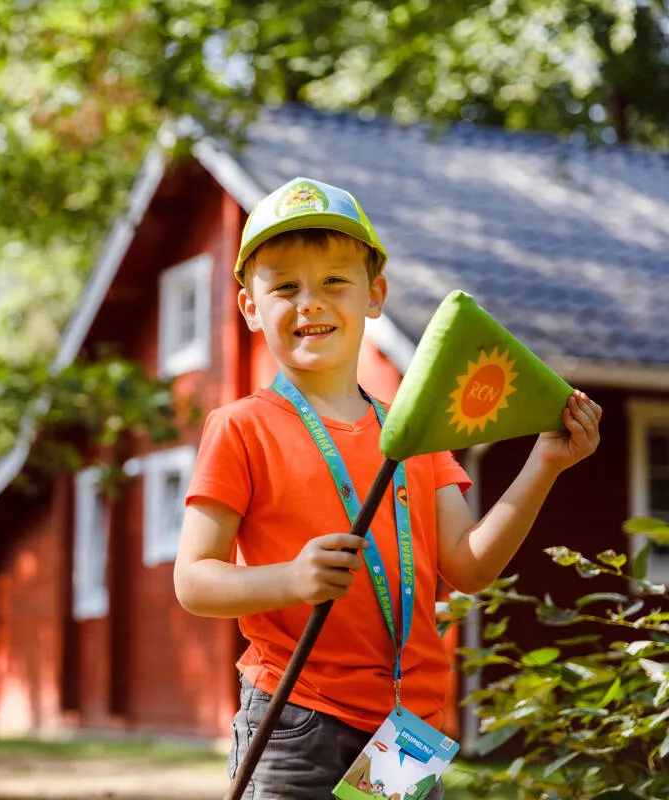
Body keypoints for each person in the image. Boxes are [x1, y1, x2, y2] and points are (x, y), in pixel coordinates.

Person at [173, 177, 602, 800]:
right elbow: (194, 580)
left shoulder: (417, 430)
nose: (310, 303)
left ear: (375, 295)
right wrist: (290, 578)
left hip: (410, 727)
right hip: (298, 716)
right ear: (249, 307)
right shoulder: (240, 427)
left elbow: (469, 565)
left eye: (334, 283)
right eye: (285, 287)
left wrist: (545, 464)